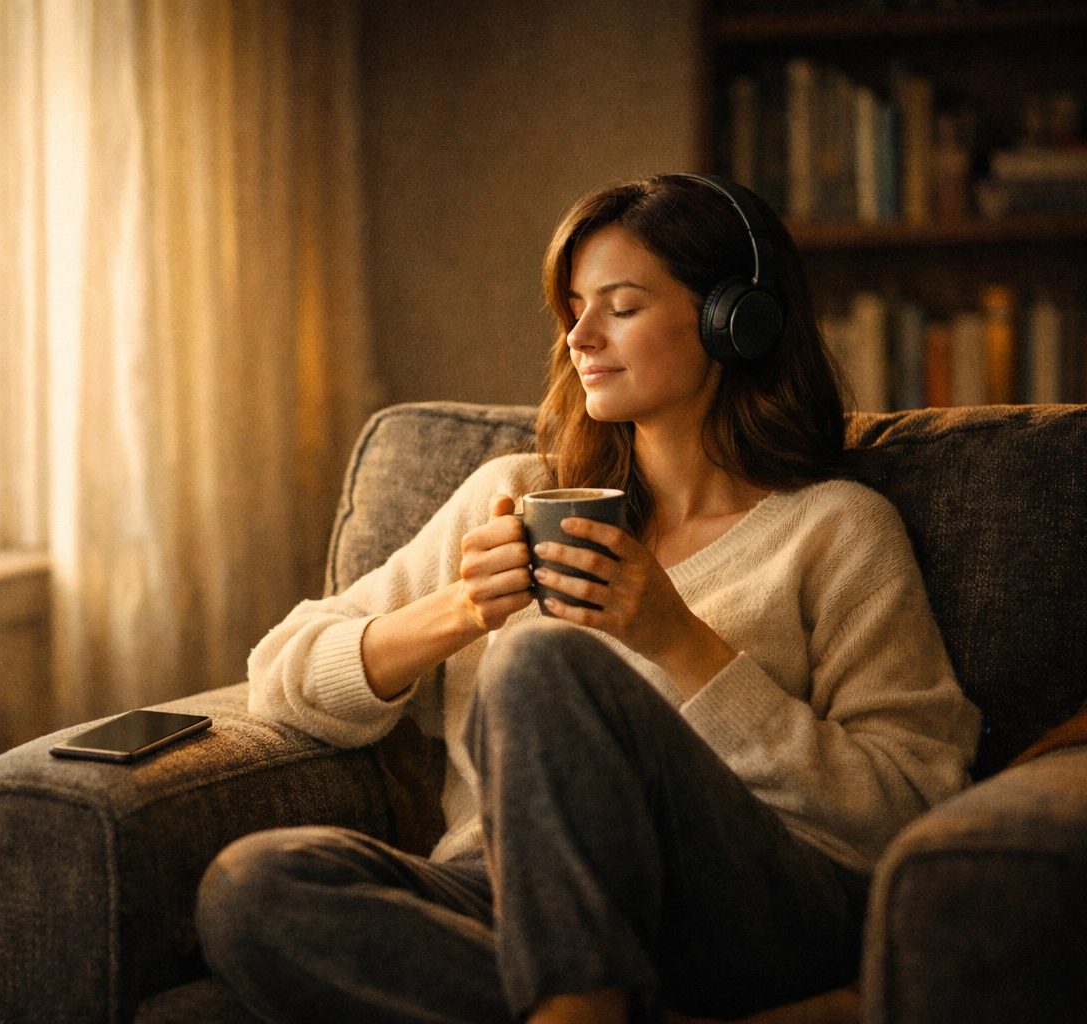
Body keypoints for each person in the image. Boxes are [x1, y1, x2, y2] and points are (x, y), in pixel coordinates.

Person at [193, 174, 982, 1024]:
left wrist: (680, 640)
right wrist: (459, 610)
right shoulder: (514, 493)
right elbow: (279, 674)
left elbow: (912, 803)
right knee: (254, 886)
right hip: (511, 896)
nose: (581, 336)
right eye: (573, 307)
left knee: (540, 656)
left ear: (733, 319)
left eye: (622, 306)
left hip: (742, 903)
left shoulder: (835, 530)